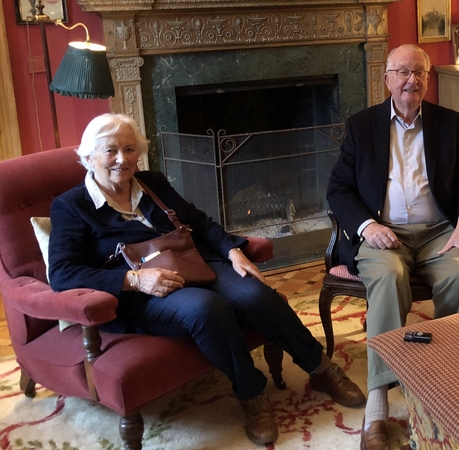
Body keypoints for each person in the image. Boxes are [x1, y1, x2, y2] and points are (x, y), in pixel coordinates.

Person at [48, 114, 366, 446]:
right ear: (88, 157)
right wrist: (134, 280)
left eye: (129, 149)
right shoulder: (71, 207)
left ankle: (320, 369)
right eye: (110, 151)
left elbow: (197, 221)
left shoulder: (151, 182)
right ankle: (252, 393)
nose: (122, 159)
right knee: (207, 309)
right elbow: (62, 273)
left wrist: (233, 251)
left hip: (196, 264)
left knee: (256, 295)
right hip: (143, 295)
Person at [326, 44, 459, 450]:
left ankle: (444, 384)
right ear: (387, 78)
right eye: (402, 72)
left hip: (439, 232)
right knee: (388, 274)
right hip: (385, 233)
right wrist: (367, 225)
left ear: (428, 79)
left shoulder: (449, 123)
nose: (410, 80)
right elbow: (339, 189)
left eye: (418, 73)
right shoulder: (362, 126)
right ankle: (377, 403)